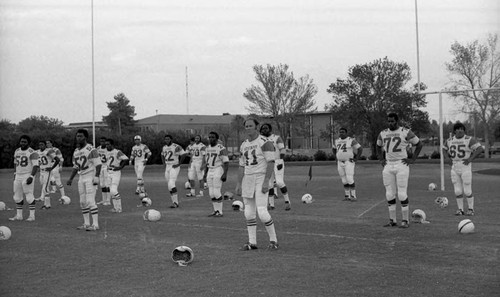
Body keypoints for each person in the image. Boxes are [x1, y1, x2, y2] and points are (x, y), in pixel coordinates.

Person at [235, 118, 279, 250]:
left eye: (250, 126)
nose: (248, 128)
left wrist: (266, 181)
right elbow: (241, 166)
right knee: (248, 212)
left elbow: (271, 162)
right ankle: (252, 242)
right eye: (246, 126)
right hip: (248, 178)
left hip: (260, 177)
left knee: (262, 212)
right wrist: (238, 183)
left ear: (256, 127)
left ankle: (273, 240)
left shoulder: (265, 142)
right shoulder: (243, 145)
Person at [376, 113, 422, 228]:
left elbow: (419, 144)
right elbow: (378, 146)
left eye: (392, 121)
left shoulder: (405, 131)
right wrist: (381, 159)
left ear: (397, 121)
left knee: (401, 193)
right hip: (388, 165)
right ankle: (392, 220)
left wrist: (413, 159)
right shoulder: (383, 133)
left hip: (401, 164)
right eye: (389, 121)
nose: (390, 123)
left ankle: (405, 220)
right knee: (389, 194)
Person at [442, 122, 483, 216]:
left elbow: (480, 148)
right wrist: (447, 158)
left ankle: (471, 209)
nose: (460, 130)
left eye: (462, 128)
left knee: (467, 190)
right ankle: (460, 209)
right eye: (458, 129)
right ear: (454, 131)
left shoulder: (469, 139)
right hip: (454, 165)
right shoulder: (449, 140)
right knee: (457, 190)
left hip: (465, 165)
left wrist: (471, 158)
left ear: (464, 130)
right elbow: (443, 149)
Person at [66, 129, 102, 231]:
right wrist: (71, 179)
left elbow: (98, 164)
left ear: (85, 137)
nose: (78, 138)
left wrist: (97, 176)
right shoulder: (76, 151)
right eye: (77, 136)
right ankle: (86, 223)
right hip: (81, 177)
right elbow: (76, 166)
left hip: (90, 176)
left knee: (90, 201)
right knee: (82, 202)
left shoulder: (91, 149)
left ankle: (95, 224)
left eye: (80, 136)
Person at [259, 123, 291, 211]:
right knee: (269, 184)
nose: (264, 130)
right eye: (262, 129)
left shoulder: (277, 138)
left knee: (280, 182)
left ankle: (287, 202)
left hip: (277, 161)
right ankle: (271, 204)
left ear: (270, 129)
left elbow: (282, 149)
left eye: (266, 128)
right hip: (268, 163)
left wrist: (280, 160)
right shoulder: (261, 140)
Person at [10, 135, 39, 221]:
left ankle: (32, 216)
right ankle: (19, 216)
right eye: (21, 141)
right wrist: (15, 173)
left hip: (27, 174)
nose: (22, 143)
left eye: (25, 142)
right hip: (18, 175)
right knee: (17, 196)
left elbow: (36, 166)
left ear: (28, 143)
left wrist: (31, 176)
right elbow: (15, 163)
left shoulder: (32, 152)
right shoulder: (17, 151)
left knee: (29, 195)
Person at [332, 127, 363, 201]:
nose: (341, 133)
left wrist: (356, 158)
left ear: (346, 133)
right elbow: (334, 149)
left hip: (348, 161)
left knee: (349, 178)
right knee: (343, 179)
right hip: (340, 162)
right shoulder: (336, 141)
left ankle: (353, 196)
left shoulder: (351, 140)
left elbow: (360, 148)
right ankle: (347, 195)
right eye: (340, 132)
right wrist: (336, 157)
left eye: (343, 132)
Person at [203, 131, 229, 217]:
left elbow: (226, 162)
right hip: (210, 169)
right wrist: (205, 173)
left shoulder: (221, 148)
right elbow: (207, 162)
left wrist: (225, 173)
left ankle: (220, 211)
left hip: (218, 169)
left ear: (217, 139)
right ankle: (215, 210)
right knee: (211, 193)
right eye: (209, 137)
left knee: (217, 191)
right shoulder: (207, 148)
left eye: (213, 137)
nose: (211, 139)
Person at [161, 134, 186, 208]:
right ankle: (174, 202)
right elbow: (162, 155)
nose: (167, 140)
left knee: (171, 184)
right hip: (168, 167)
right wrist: (164, 164)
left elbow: (184, 154)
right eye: (165, 139)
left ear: (171, 139)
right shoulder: (164, 147)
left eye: (168, 139)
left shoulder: (176, 146)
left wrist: (179, 163)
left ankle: (176, 202)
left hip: (174, 166)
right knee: (169, 186)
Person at [104, 138, 129, 213]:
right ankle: (115, 208)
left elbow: (126, 159)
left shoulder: (117, 152)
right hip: (108, 172)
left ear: (112, 145)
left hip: (115, 172)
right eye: (106, 144)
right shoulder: (106, 152)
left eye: (108, 144)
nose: (107, 146)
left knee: (113, 190)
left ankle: (119, 208)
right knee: (111, 191)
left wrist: (120, 167)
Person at [36, 140, 61, 209]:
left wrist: (51, 168)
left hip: (47, 171)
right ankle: (44, 202)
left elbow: (57, 159)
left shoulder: (49, 151)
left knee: (45, 188)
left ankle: (47, 205)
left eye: (42, 144)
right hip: (41, 171)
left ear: (45, 145)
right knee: (43, 186)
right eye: (39, 145)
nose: (41, 146)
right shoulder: (37, 152)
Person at [97, 137, 111, 206]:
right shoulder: (98, 148)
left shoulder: (108, 149)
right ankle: (104, 199)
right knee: (102, 184)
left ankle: (108, 200)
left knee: (107, 184)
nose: (102, 143)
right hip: (100, 167)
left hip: (106, 167)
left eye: (103, 141)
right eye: (101, 141)